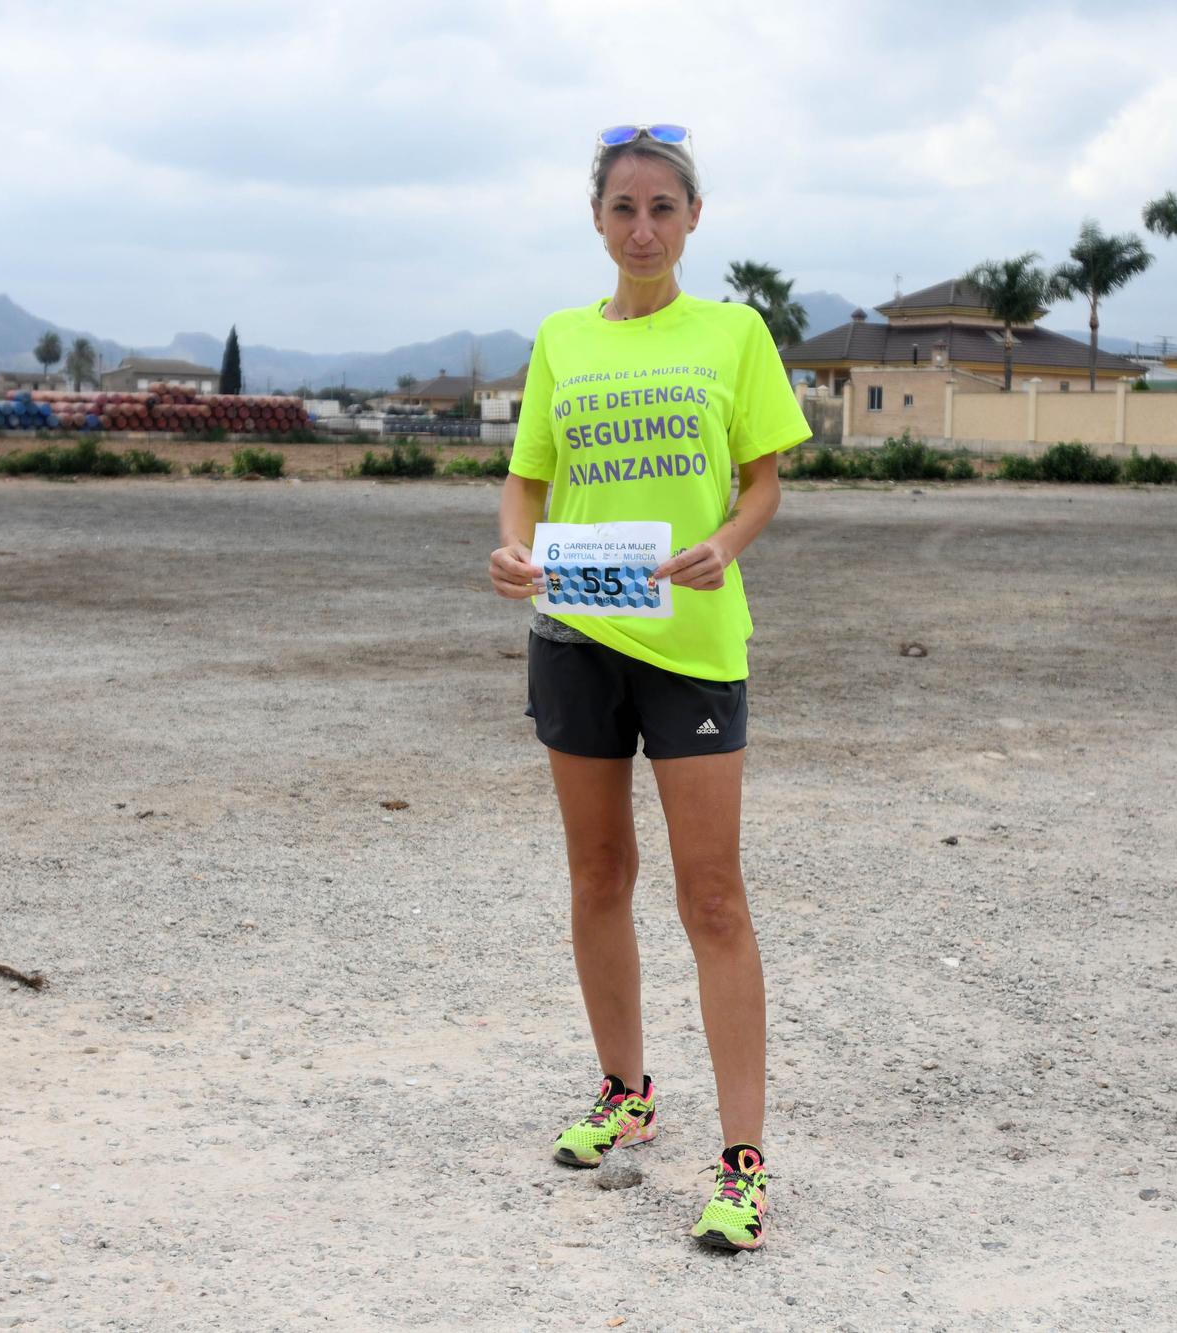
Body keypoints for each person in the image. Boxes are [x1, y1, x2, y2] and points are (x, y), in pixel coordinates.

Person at [487, 124, 811, 1252]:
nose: (641, 228)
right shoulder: (561, 341)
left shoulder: (731, 335)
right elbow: (526, 485)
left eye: (661, 208)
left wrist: (728, 542)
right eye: (622, 208)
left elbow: (762, 481)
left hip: (693, 642)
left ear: (691, 219)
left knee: (711, 895)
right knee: (596, 874)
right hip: (575, 632)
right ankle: (624, 1090)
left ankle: (741, 1161)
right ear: (596, 220)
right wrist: (513, 553)